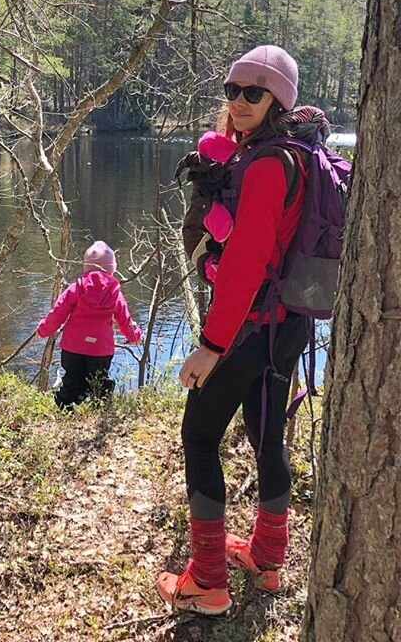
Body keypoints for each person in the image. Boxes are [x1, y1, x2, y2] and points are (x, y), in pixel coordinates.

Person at [157, 45, 323, 615]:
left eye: (255, 92)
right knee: (266, 436)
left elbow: (247, 262)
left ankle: (207, 582)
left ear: (280, 99)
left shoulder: (265, 166)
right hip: (288, 327)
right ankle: (268, 562)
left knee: (200, 437)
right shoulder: (296, 157)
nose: (240, 101)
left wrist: (210, 345)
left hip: (250, 331)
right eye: (233, 90)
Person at [36, 241, 142, 408]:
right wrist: (135, 336)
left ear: (86, 267)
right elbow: (125, 320)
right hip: (100, 350)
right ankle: (100, 412)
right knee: (99, 384)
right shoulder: (114, 293)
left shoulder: (75, 289)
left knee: (71, 383)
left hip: (73, 347)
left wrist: (43, 330)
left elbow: (57, 313)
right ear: (111, 268)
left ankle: (65, 412)